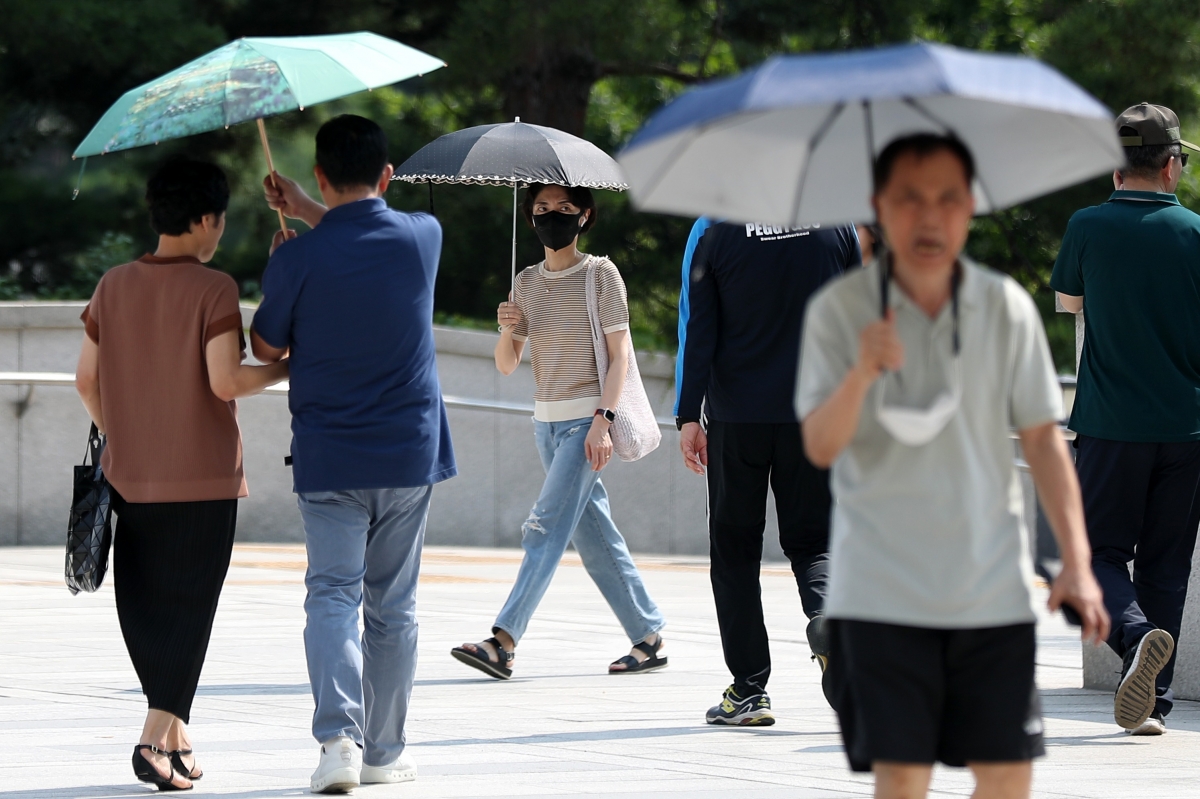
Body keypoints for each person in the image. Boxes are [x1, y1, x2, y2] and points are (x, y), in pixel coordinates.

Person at [797, 133, 1110, 799]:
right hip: (881, 596)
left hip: (989, 591)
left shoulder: (1005, 308)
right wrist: (861, 371)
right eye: (910, 198)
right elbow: (820, 444)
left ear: (970, 205)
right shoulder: (839, 311)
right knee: (905, 780)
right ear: (880, 206)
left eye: (947, 197)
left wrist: (1078, 563)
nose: (929, 215)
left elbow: (1046, 440)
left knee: (1006, 777)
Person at [253, 114, 456, 794]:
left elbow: (266, 348)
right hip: (407, 453)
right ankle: (384, 749)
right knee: (392, 607)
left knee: (332, 595)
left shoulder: (296, 258)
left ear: (318, 173)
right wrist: (312, 214)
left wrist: (290, 247)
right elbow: (371, 231)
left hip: (330, 454)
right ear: (388, 175)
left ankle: (338, 740)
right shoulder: (424, 237)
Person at [74, 157, 289, 791]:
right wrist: (286, 368)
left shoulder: (113, 284)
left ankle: (175, 737)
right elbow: (226, 380)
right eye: (219, 219)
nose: (220, 231)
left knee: (144, 605)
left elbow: (86, 379)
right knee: (191, 607)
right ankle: (152, 738)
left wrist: (122, 431)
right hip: (203, 477)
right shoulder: (213, 287)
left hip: (129, 473)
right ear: (202, 220)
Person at [450, 183, 667, 681]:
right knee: (594, 536)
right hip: (544, 424)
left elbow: (620, 357)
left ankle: (503, 641)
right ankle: (648, 634)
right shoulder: (525, 283)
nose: (553, 218)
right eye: (543, 210)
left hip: (585, 423)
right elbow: (507, 366)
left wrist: (602, 423)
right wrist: (506, 327)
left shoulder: (601, 274)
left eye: (564, 210)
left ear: (584, 217)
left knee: (544, 528)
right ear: (530, 218)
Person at [674, 218, 860, 726]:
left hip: (739, 418)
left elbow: (699, 323)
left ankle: (749, 689)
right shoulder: (835, 224)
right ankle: (825, 619)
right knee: (815, 542)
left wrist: (688, 413)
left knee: (735, 551)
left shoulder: (713, 228)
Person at [1051, 102, 1200, 736]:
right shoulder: (1195, 232)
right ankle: (1153, 702)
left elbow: (1069, 303)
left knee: (1098, 557)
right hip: (1188, 428)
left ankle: (1137, 638)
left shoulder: (1088, 225)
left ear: (1116, 169)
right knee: (1166, 563)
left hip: (1112, 424)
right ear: (1170, 166)